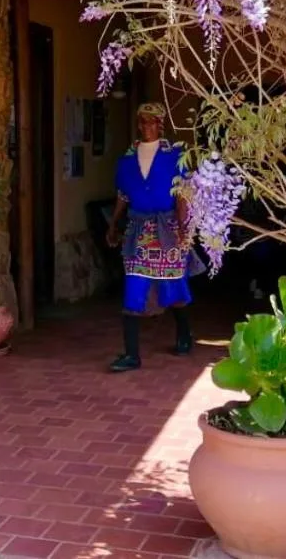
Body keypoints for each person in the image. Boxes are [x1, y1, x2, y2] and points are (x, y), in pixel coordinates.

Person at [105, 102, 192, 372]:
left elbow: (181, 195)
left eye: (152, 121)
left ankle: (184, 335)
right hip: (137, 232)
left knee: (173, 285)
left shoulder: (175, 155)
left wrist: (183, 229)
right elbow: (123, 196)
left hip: (168, 228)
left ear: (161, 124)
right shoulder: (127, 159)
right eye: (143, 121)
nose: (147, 126)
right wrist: (113, 225)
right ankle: (131, 355)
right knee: (133, 288)